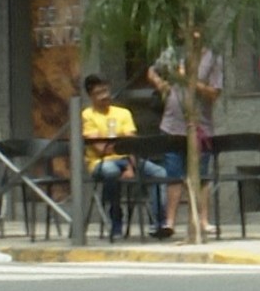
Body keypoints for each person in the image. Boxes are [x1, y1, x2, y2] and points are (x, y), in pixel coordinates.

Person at [146, 33, 223, 239]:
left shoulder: (212, 58)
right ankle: (169, 222)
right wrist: (161, 84)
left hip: (199, 125)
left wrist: (189, 81)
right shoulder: (174, 52)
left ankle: (202, 220)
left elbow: (214, 93)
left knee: (201, 175)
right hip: (172, 124)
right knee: (173, 174)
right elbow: (152, 71)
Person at [80, 73, 167, 240]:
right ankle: (116, 218)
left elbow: (132, 144)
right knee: (111, 171)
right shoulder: (88, 115)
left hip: (128, 159)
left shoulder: (123, 113)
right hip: (100, 162)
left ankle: (158, 222)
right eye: (99, 93)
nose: (104, 96)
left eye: (106, 91)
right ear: (91, 96)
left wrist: (130, 164)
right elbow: (100, 148)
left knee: (159, 172)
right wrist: (121, 146)